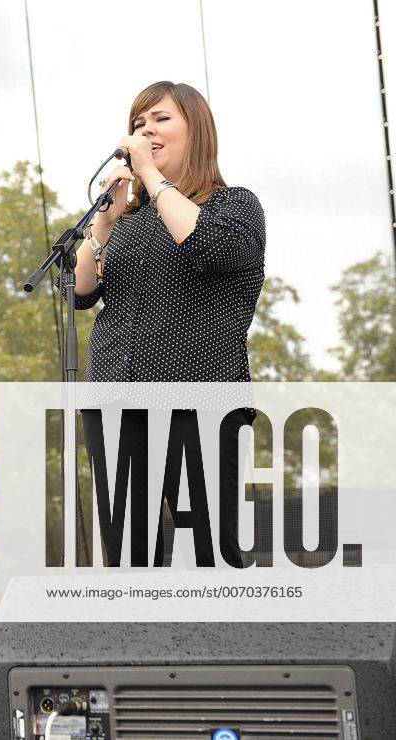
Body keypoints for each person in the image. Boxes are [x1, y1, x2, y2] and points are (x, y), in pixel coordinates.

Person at [73, 81, 266, 567]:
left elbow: (210, 247)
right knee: (128, 560)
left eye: (160, 119)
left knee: (207, 556)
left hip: (199, 400)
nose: (146, 130)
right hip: (116, 399)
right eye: (139, 123)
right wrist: (104, 224)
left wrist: (152, 180)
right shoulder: (129, 221)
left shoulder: (234, 206)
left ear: (194, 129)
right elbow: (79, 291)